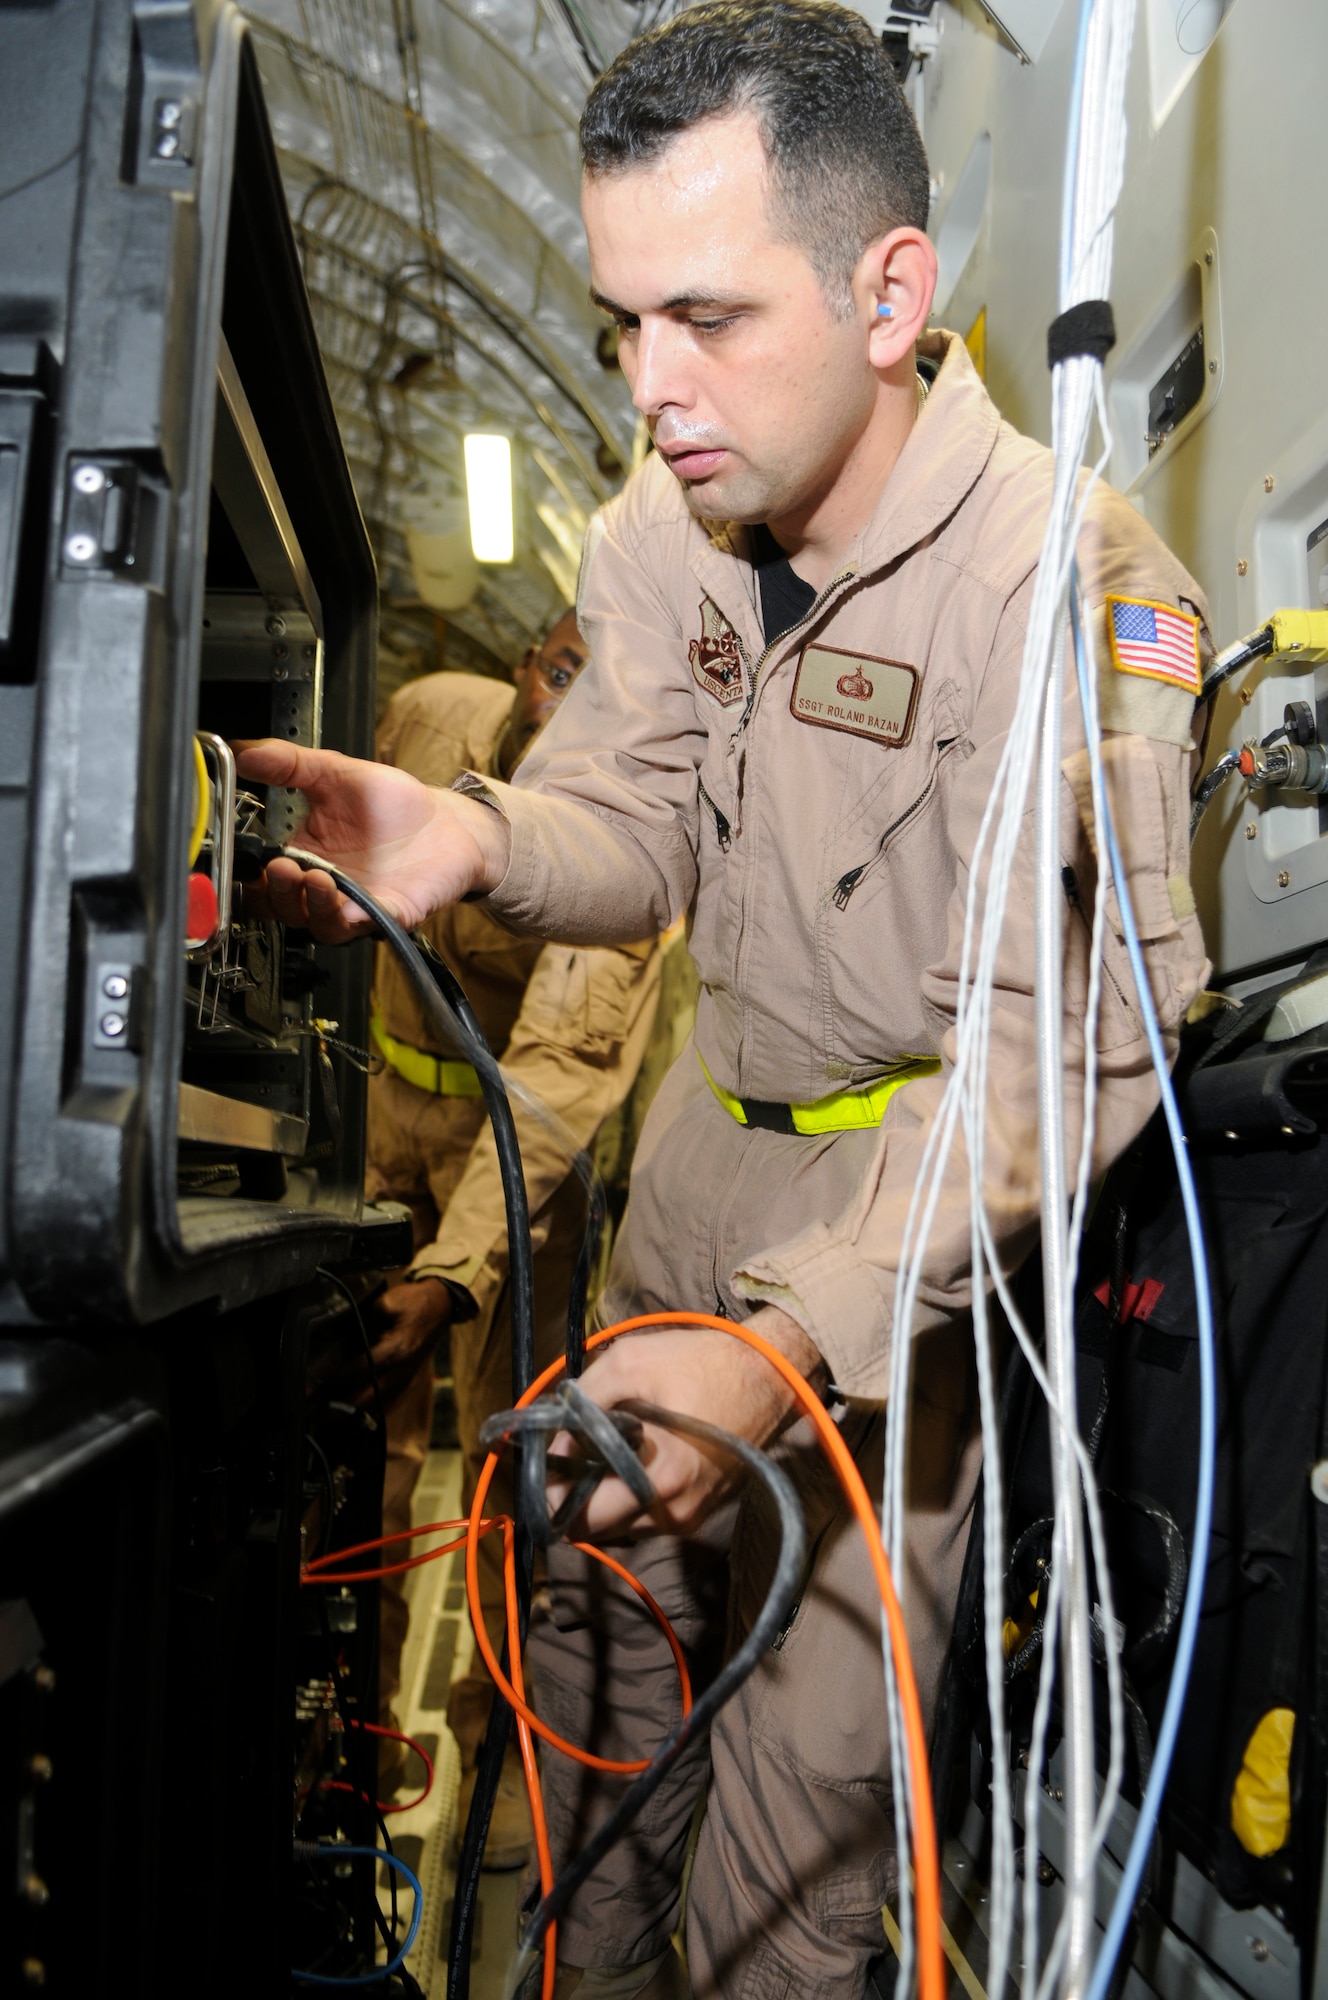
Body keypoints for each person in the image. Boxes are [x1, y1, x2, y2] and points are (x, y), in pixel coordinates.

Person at [240, 4, 1212, 1992]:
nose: (649, 386)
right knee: (591, 1768)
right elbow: (637, 814)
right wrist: (475, 837)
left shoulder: (1069, 588)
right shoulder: (663, 518)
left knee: (783, 1883)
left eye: (703, 315)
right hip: (680, 1189)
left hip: (899, 1268)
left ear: (887, 293)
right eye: (620, 322)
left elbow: (1079, 1045)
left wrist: (783, 1356)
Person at [363, 610, 662, 1867]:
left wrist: (448, 1271)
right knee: (357, 1441)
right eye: (562, 655)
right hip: (377, 1109)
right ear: (532, 647)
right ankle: (353, 1734)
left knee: (511, 1462)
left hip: (515, 1153)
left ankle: (491, 1752)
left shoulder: (629, 846)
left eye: (607, 682)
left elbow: (551, 1074)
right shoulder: (429, 715)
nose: (571, 685)